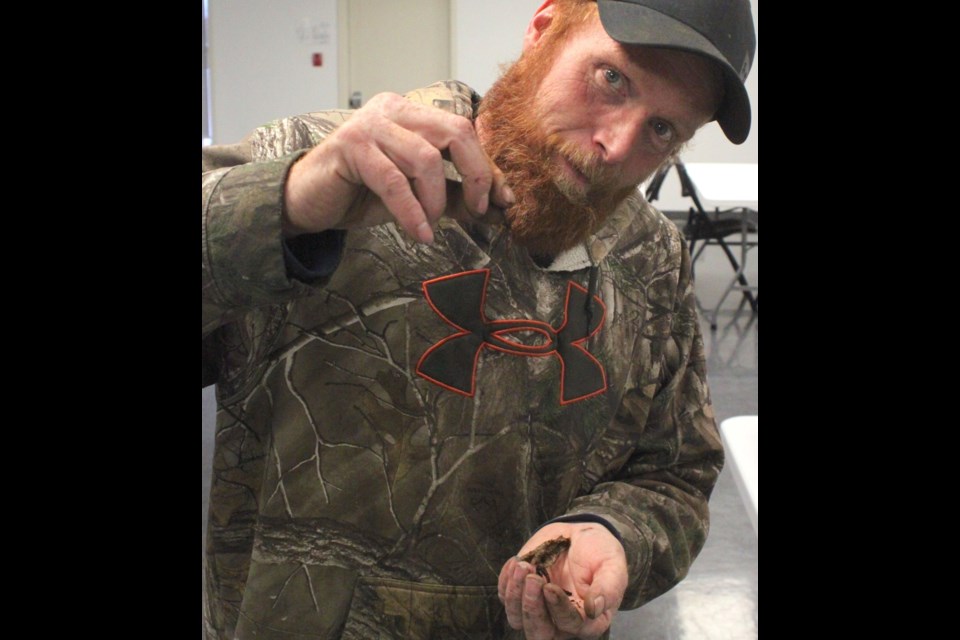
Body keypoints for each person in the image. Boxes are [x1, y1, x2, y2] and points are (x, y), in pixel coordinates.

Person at [201, 0, 756, 638]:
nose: (615, 146)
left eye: (662, 129)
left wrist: (612, 533)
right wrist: (291, 205)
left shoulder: (651, 258)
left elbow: (675, 472)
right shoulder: (319, 164)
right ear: (543, 31)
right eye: (611, 79)